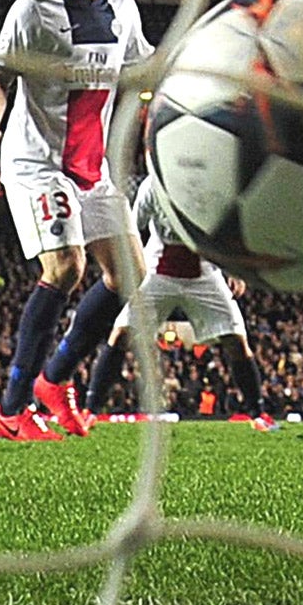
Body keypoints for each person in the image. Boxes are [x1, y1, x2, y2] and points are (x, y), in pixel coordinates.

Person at [0, 0, 153, 442]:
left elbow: (143, 71)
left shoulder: (122, 8)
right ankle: (10, 409)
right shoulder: (33, 11)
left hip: (90, 167)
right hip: (36, 162)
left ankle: (54, 382)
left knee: (128, 274)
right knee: (68, 266)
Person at [83, 175, 275, 431]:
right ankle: (91, 410)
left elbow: (228, 233)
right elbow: (134, 227)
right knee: (120, 334)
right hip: (158, 269)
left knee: (236, 341)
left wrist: (235, 271)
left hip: (204, 270)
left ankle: (258, 414)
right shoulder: (153, 185)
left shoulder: (215, 184)